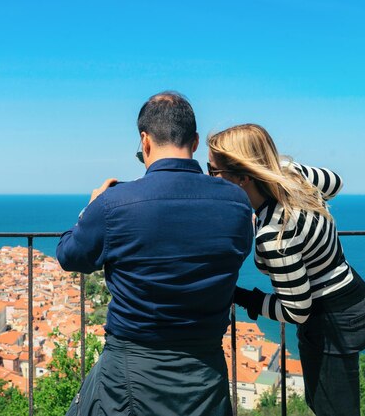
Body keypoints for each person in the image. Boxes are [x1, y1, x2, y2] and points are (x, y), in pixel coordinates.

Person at [56, 92, 254, 416]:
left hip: (132, 370)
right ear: (195, 141)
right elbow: (238, 252)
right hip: (205, 371)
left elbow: (70, 256)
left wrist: (89, 209)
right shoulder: (236, 202)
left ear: (144, 142)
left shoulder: (114, 203)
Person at [207, 123, 365, 416]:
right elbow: (335, 182)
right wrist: (285, 169)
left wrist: (244, 297)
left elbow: (298, 311)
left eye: (213, 172)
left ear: (243, 177)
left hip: (330, 321)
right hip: (352, 299)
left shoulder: (274, 234)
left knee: (331, 409)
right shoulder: (291, 182)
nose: (208, 180)